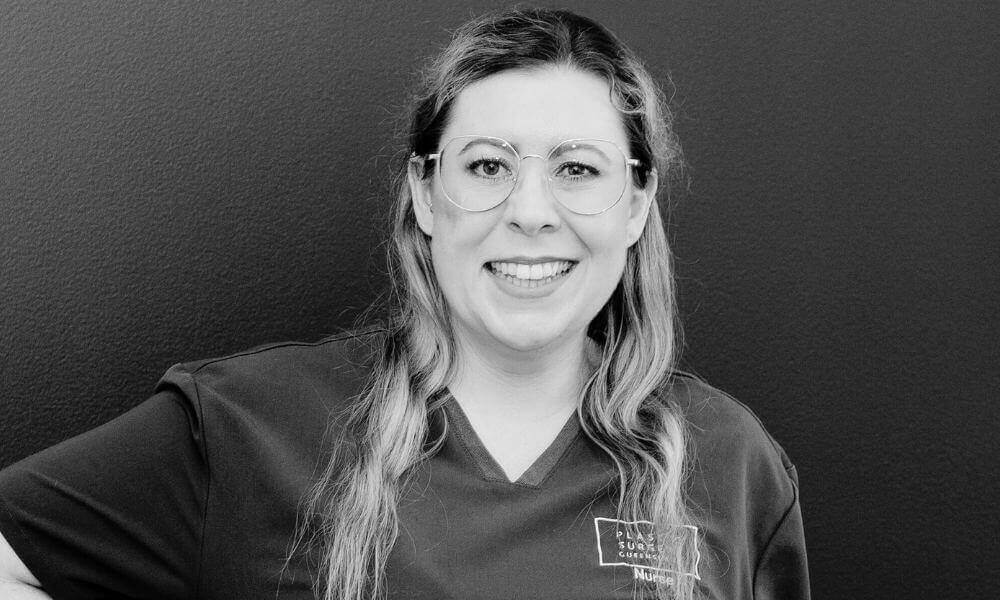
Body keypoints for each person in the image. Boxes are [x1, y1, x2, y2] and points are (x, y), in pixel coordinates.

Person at [0, 7, 809, 600]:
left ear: (636, 205)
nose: (531, 211)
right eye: (488, 166)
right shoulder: (249, 427)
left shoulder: (731, 465)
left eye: (578, 170)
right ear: (426, 194)